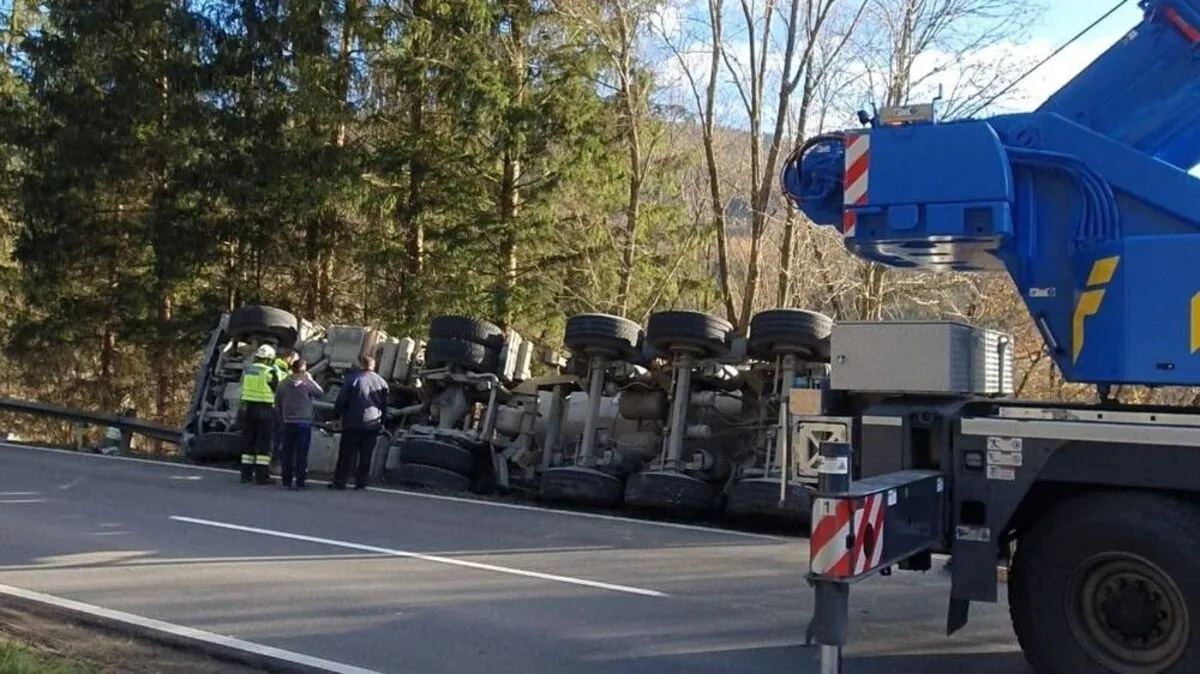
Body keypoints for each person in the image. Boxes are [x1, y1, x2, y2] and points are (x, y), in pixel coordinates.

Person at [329, 355, 390, 490]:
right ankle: (361, 482)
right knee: (366, 455)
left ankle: (340, 482)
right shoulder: (382, 382)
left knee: (346, 455)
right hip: (372, 424)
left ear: (361, 364)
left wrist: (335, 415)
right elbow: (385, 405)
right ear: (373, 365)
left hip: (353, 422)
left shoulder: (353, 379)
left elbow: (342, 399)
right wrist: (383, 422)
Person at [274, 358, 324, 490]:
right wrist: (310, 379)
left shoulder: (282, 384)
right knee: (302, 453)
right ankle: (300, 481)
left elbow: (277, 404)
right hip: (303, 423)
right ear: (304, 369)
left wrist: (281, 420)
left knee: (287, 452)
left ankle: (286, 481)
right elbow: (320, 393)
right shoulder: (306, 383)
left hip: (288, 422)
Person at [239, 344, 284, 484]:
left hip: (248, 409)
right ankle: (261, 476)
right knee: (264, 444)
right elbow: (278, 388)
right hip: (265, 409)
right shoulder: (269, 371)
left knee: (249, 442)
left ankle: (245, 474)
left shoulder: (248, 370)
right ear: (269, 359)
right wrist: (279, 372)